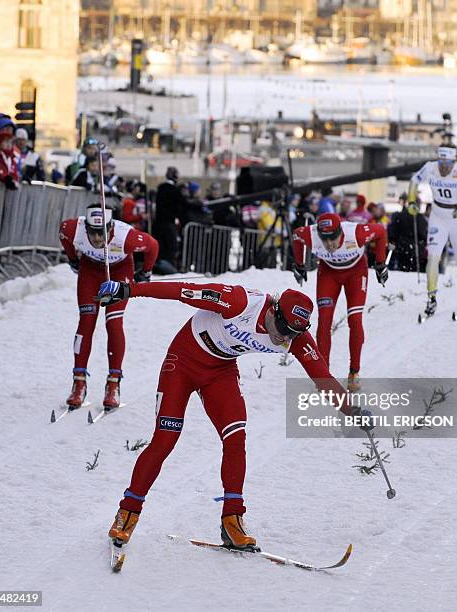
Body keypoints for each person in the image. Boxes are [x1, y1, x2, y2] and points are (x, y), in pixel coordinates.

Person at [96, 280, 372, 551]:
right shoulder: (239, 302)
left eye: (292, 334)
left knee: (235, 436)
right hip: (183, 363)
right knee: (166, 438)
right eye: (283, 329)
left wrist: (353, 410)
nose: (284, 338)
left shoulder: (295, 337)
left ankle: (232, 520)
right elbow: (181, 291)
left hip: (221, 371)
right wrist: (129, 289)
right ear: (274, 309)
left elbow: (322, 377)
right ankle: (128, 512)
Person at [59, 204, 158, 410]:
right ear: (85, 227)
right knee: (86, 322)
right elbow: (63, 235)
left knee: (113, 323)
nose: (96, 239)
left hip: (120, 272)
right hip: (90, 272)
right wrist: (72, 259)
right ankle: (79, 383)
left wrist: (145, 272)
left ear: (111, 227)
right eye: (92, 233)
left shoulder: (126, 237)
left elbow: (153, 246)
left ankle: (113, 384)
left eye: (102, 233)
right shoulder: (72, 229)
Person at [292, 212, 388, 391]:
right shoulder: (310, 234)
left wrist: (380, 263)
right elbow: (296, 235)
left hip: (356, 272)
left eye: (333, 238)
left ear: (341, 231)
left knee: (355, 319)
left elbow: (381, 231)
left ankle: (354, 372)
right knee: (324, 321)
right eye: (324, 239)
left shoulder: (356, 234)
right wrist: (299, 264)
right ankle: (323, 376)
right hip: (329, 273)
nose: (329, 244)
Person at [408, 144, 457, 317]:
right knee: (433, 257)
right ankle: (431, 298)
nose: (444, 166)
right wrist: (411, 201)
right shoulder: (430, 168)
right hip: (438, 216)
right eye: (441, 161)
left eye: (448, 162)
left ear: (454, 160)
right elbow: (414, 180)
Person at [154, 166, 186, 273]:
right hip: (169, 223)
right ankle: (169, 269)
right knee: (171, 247)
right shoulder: (174, 190)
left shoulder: (160, 188)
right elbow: (181, 205)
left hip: (158, 223)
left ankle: (159, 267)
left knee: (160, 247)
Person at [388, 193, 428, 273]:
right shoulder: (419, 217)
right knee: (413, 269)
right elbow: (423, 234)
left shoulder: (399, 215)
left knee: (402, 268)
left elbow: (393, 232)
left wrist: (393, 241)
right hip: (415, 247)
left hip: (402, 246)